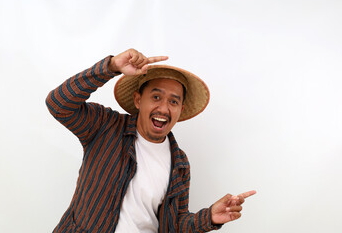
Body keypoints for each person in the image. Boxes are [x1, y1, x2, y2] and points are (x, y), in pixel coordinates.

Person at [46, 48, 256, 233]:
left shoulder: (179, 163)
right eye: (156, 97)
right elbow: (58, 103)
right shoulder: (105, 126)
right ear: (138, 100)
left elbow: (175, 224)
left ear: (180, 110)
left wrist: (208, 217)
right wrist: (110, 66)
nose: (164, 109)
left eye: (173, 101)